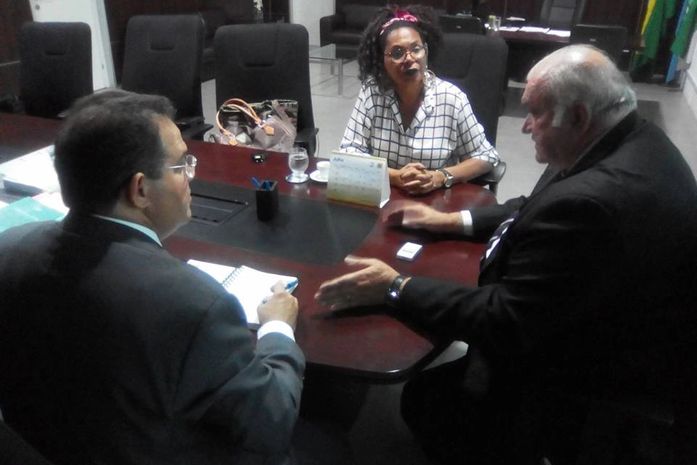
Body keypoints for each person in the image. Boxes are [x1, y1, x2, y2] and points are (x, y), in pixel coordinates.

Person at [316, 45, 697, 464]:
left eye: (534, 113)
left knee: (426, 400)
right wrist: (453, 220)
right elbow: (537, 204)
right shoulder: (626, 137)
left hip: (597, 371)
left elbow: (506, 318)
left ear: (578, 117)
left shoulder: (592, 203)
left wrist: (395, 286)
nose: (524, 126)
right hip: (610, 316)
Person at [0, 91, 305, 465]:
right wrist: (277, 329)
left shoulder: (9, 250)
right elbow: (270, 422)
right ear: (140, 189)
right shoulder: (195, 305)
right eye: (181, 165)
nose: (192, 175)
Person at [340, 5, 499, 195]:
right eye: (397, 53)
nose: (409, 58)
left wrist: (439, 177)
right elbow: (348, 152)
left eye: (416, 49)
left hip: (437, 200)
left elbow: (486, 156)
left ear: (426, 51)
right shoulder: (372, 93)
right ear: (382, 60)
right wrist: (395, 176)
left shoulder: (452, 98)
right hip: (384, 198)